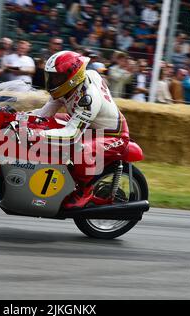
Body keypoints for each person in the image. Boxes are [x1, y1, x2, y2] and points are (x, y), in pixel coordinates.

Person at [28, 51, 130, 209]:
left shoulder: (88, 98)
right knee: (48, 123)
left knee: (82, 151)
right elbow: (45, 113)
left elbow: (71, 134)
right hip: (88, 124)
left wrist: (38, 134)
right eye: (51, 76)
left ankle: (85, 191)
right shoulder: (71, 85)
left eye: (56, 77)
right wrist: (24, 118)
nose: (52, 81)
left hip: (112, 134)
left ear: (71, 77)